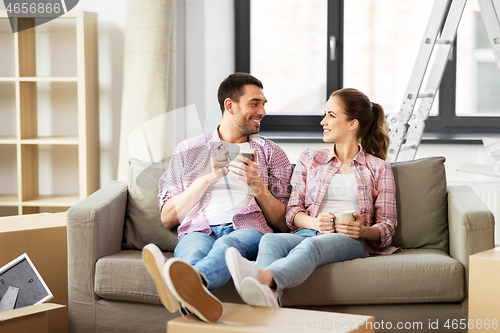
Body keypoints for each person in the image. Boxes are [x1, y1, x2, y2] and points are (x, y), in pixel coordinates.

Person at [225, 88, 399, 308]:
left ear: (352, 124)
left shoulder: (379, 168)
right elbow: (293, 210)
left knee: (311, 247)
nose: (323, 121)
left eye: (331, 115)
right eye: (325, 114)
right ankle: (269, 299)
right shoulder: (310, 158)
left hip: (350, 240)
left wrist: (363, 231)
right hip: (309, 230)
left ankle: (263, 279)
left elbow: (388, 224)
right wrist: (316, 222)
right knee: (270, 239)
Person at [142, 73, 292, 322]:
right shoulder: (188, 150)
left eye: (264, 103)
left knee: (226, 247)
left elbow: (285, 223)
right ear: (230, 106)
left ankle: (180, 285)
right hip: (197, 231)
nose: (263, 111)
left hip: (248, 229)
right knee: (192, 253)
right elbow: (167, 218)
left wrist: (257, 185)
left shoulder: (271, 153)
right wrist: (207, 178)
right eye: (255, 103)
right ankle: (193, 295)